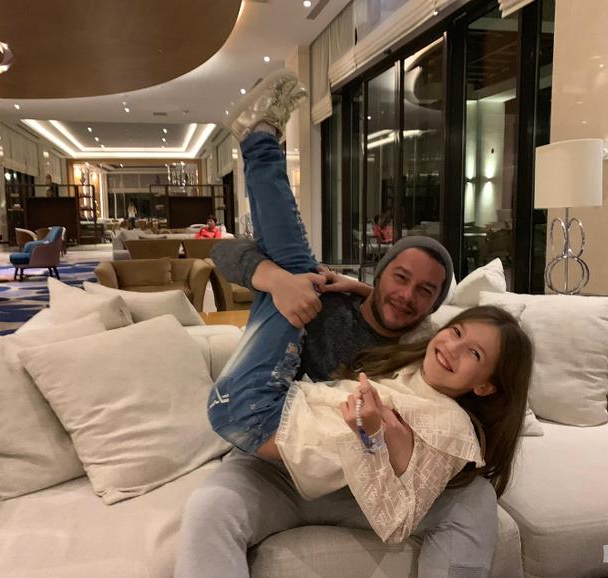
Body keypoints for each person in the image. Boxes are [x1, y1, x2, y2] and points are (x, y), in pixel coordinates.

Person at [175, 69, 532, 578]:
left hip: (361, 481)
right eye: (399, 278)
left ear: (435, 307)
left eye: (425, 291)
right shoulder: (321, 298)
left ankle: (259, 138)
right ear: (379, 274)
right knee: (211, 506)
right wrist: (277, 281)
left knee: (475, 497)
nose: (406, 296)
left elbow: (486, 362)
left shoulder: (426, 345)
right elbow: (223, 253)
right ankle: (259, 140)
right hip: (280, 467)